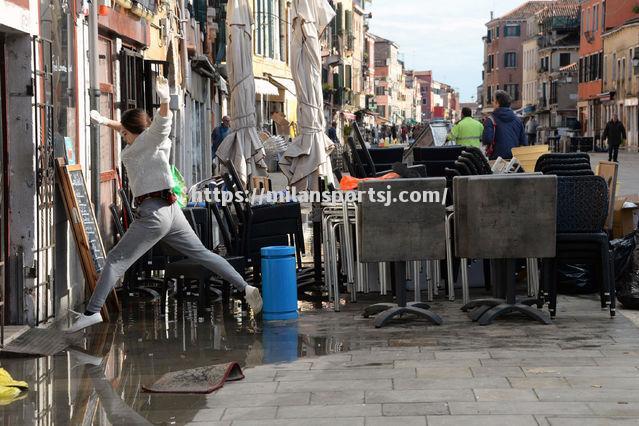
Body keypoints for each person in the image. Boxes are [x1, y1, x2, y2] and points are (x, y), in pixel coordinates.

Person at [67, 77, 262, 333]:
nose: (122, 137)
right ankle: (246, 288)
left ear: (132, 133)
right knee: (204, 254)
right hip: (172, 211)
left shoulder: (143, 144)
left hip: (153, 214)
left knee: (115, 259)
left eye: (124, 133)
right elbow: (141, 130)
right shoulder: (153, 142)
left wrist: (165, 100)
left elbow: (161, 124)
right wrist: (106, 122)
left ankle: (92, 313)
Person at [482, 90, 527, 159]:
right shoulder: (518, 120)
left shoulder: (490, 120)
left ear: (497, 103)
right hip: (514, 159)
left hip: (496, 159)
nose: (492, 103)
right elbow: (524, 141)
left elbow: (487, 139)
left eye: (493, 101)